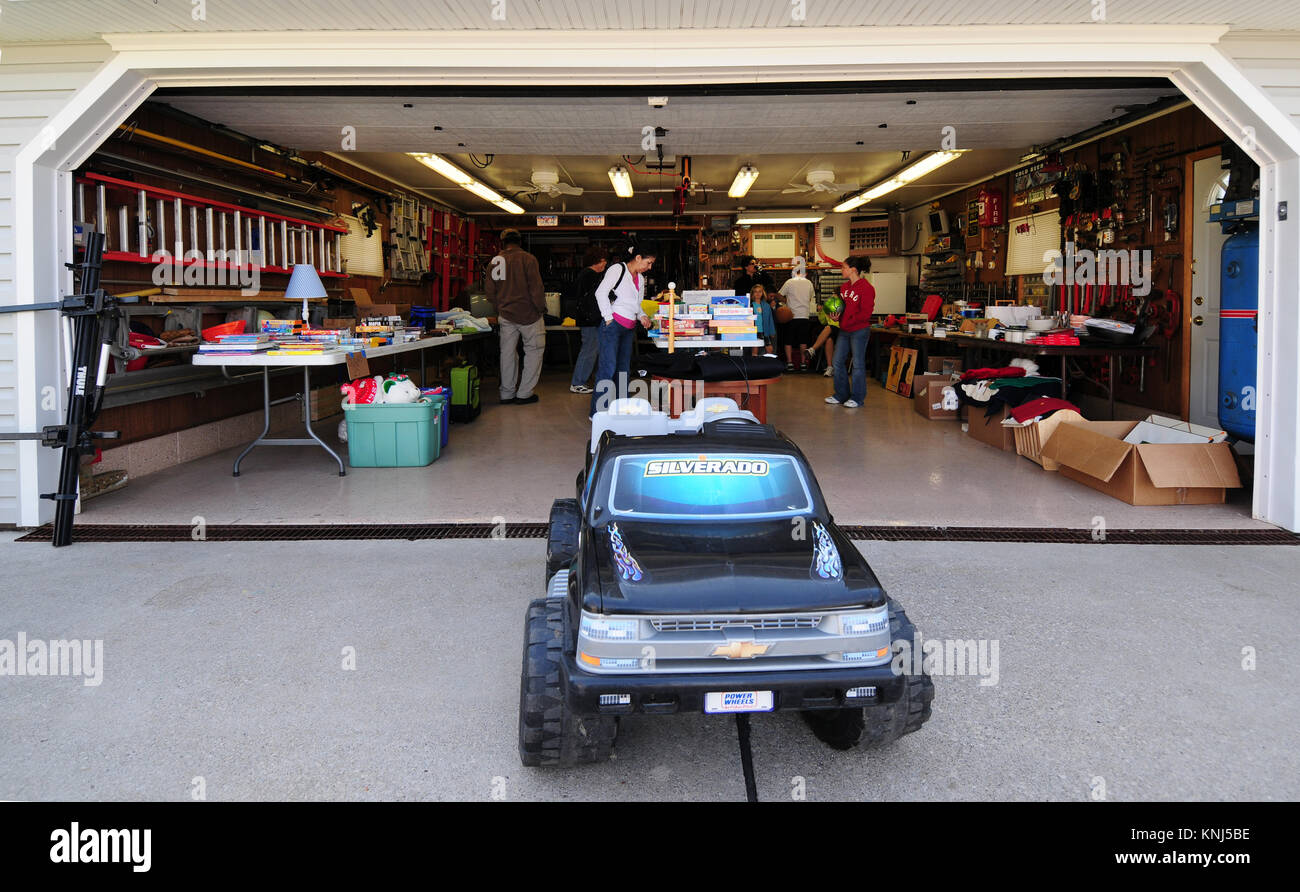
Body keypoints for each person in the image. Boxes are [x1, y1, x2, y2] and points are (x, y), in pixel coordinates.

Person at [590, 241, 655, 416]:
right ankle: (597, 412)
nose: (649, 267)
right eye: (648, 263)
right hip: (613, 326)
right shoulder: (617, 270)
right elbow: (600, 292)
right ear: (638, 257)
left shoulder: (640, 279)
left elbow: (636, 304)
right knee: (608, 369)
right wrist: (608, 318)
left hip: (629, 328)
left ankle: (622, 409)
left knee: (624, 370)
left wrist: (641, 316)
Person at [485, 228, 546, 405]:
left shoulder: (495, 261)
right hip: (530, 315)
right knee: (533, 352)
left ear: (503, 243)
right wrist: (540, 308)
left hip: (505, 315)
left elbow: (490, 292)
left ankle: (506, 393)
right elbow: (536, 288)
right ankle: (524, 393)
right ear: (520, 241)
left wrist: (500, 308)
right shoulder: (528, 258)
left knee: (507, 354)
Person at [825, 255, 875, 409]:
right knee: (837, 362)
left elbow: (866, 314)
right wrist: (836, 316)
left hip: (859, 330)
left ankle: (858, 398)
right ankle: (841, 395)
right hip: (844, 330)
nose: (842, 270)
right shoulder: (844, 288)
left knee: (858, 365)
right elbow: (841, 308)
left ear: (853, 269)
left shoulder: (867, 288)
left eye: (843, 267)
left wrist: (847, 320)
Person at [568, 246, 608, 394]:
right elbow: (592, 299)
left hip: (588, 319)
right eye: (603, 261)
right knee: (589, 350)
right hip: (591, 320)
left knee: (590, 350)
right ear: (597, 261)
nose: (605, 264)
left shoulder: (585, 274)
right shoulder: (590, 275)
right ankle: (578, 382)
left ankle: (581, 380)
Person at [778, 265, 815, 371]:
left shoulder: (789, 282)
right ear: (805, 274)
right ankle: (803, 363)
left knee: (788, 340)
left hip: (791, 315)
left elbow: (779, 294)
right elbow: (810, 297)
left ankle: (790, 363)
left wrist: (786, 301)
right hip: (804, 315)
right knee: (803, 341)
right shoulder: (809, 283)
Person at [750, 284, 775, 356]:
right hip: (754, 331)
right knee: (755, 350)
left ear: (762, 293)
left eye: (759, 291)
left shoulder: (766, 305)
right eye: (755, 292)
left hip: (765, 331)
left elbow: (770, 319)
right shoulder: (750, 305)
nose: (757, 293)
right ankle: (754, 365)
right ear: (752, 294)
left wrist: (772, 331)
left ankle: (769, 365)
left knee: (769, 349)